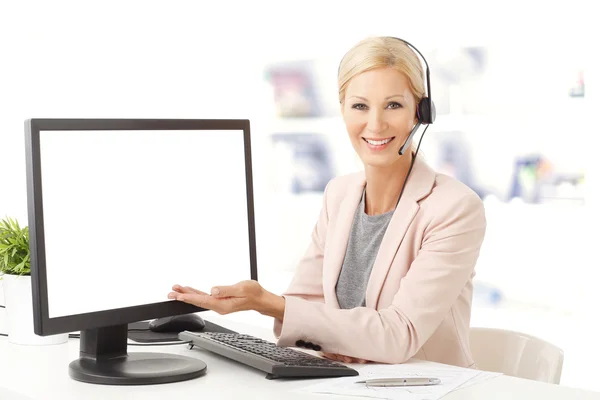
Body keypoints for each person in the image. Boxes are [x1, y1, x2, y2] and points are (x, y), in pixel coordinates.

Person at [168, 36, 487, 368]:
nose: (375, 124)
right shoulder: (340, 195)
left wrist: (266, 303)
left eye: (393, 105)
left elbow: (398, 334)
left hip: (428, 388)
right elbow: (302, 302)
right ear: (343, 110)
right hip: (349, 383)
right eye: (360, 106)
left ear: (420, 113)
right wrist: (330, 332)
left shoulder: (454, 208)